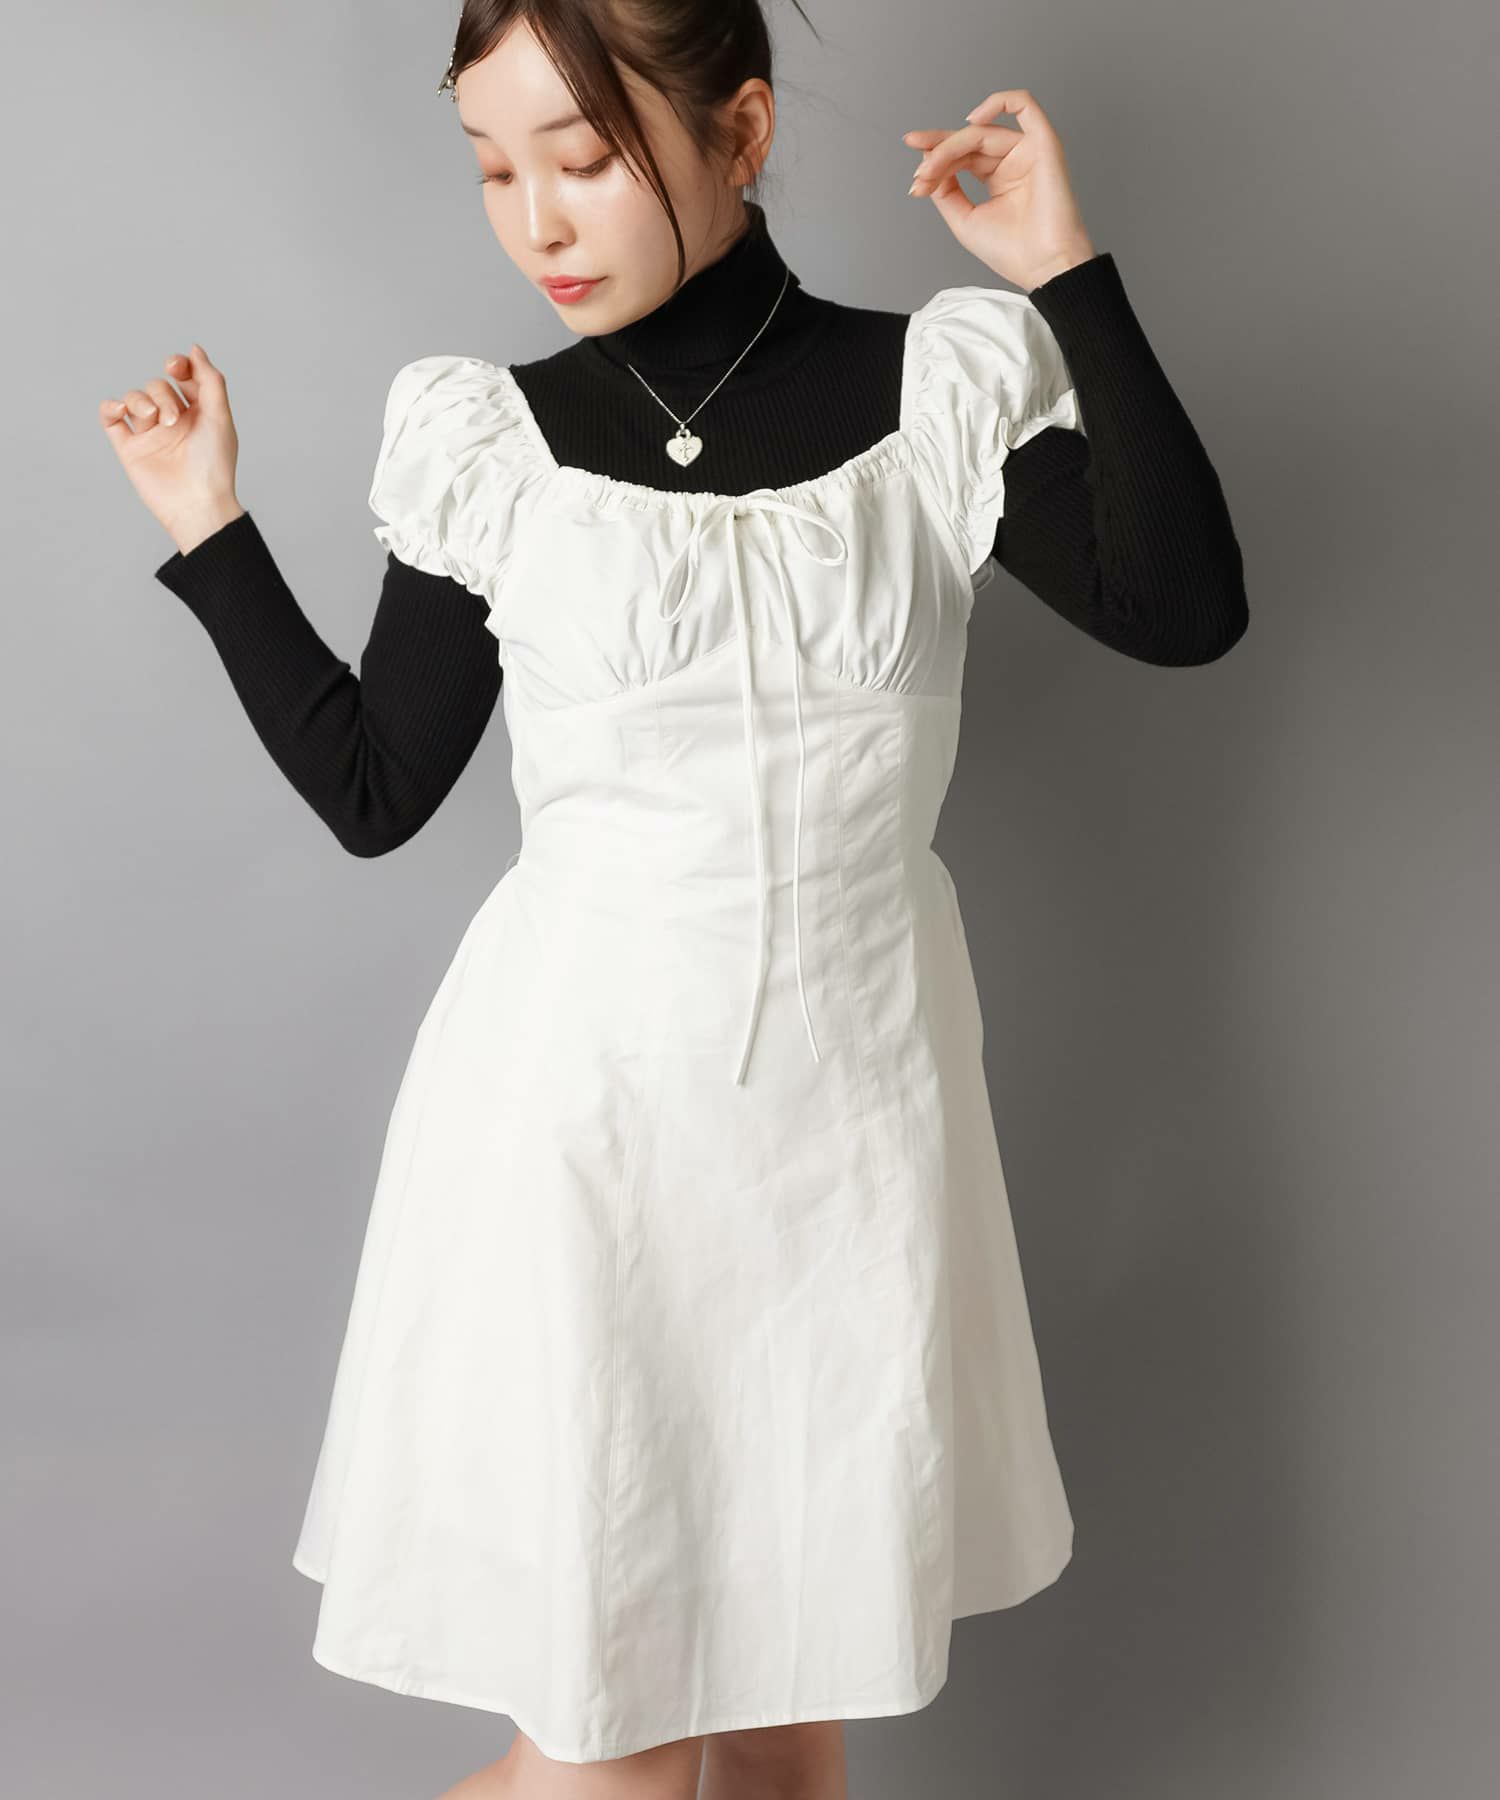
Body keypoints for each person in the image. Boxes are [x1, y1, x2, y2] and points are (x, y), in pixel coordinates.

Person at [99, 5, 1247, 1797]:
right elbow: (376, 790)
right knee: (612, 1762)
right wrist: (209, 528)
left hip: (851, 1141)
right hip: (582, 1137)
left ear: (743, 128)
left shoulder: (939, 387)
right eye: (495, 172)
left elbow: (1182, 608)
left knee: (789, 1743)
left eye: (582, 161)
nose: (537, 224)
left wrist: (1065, 278)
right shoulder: (492, 438)